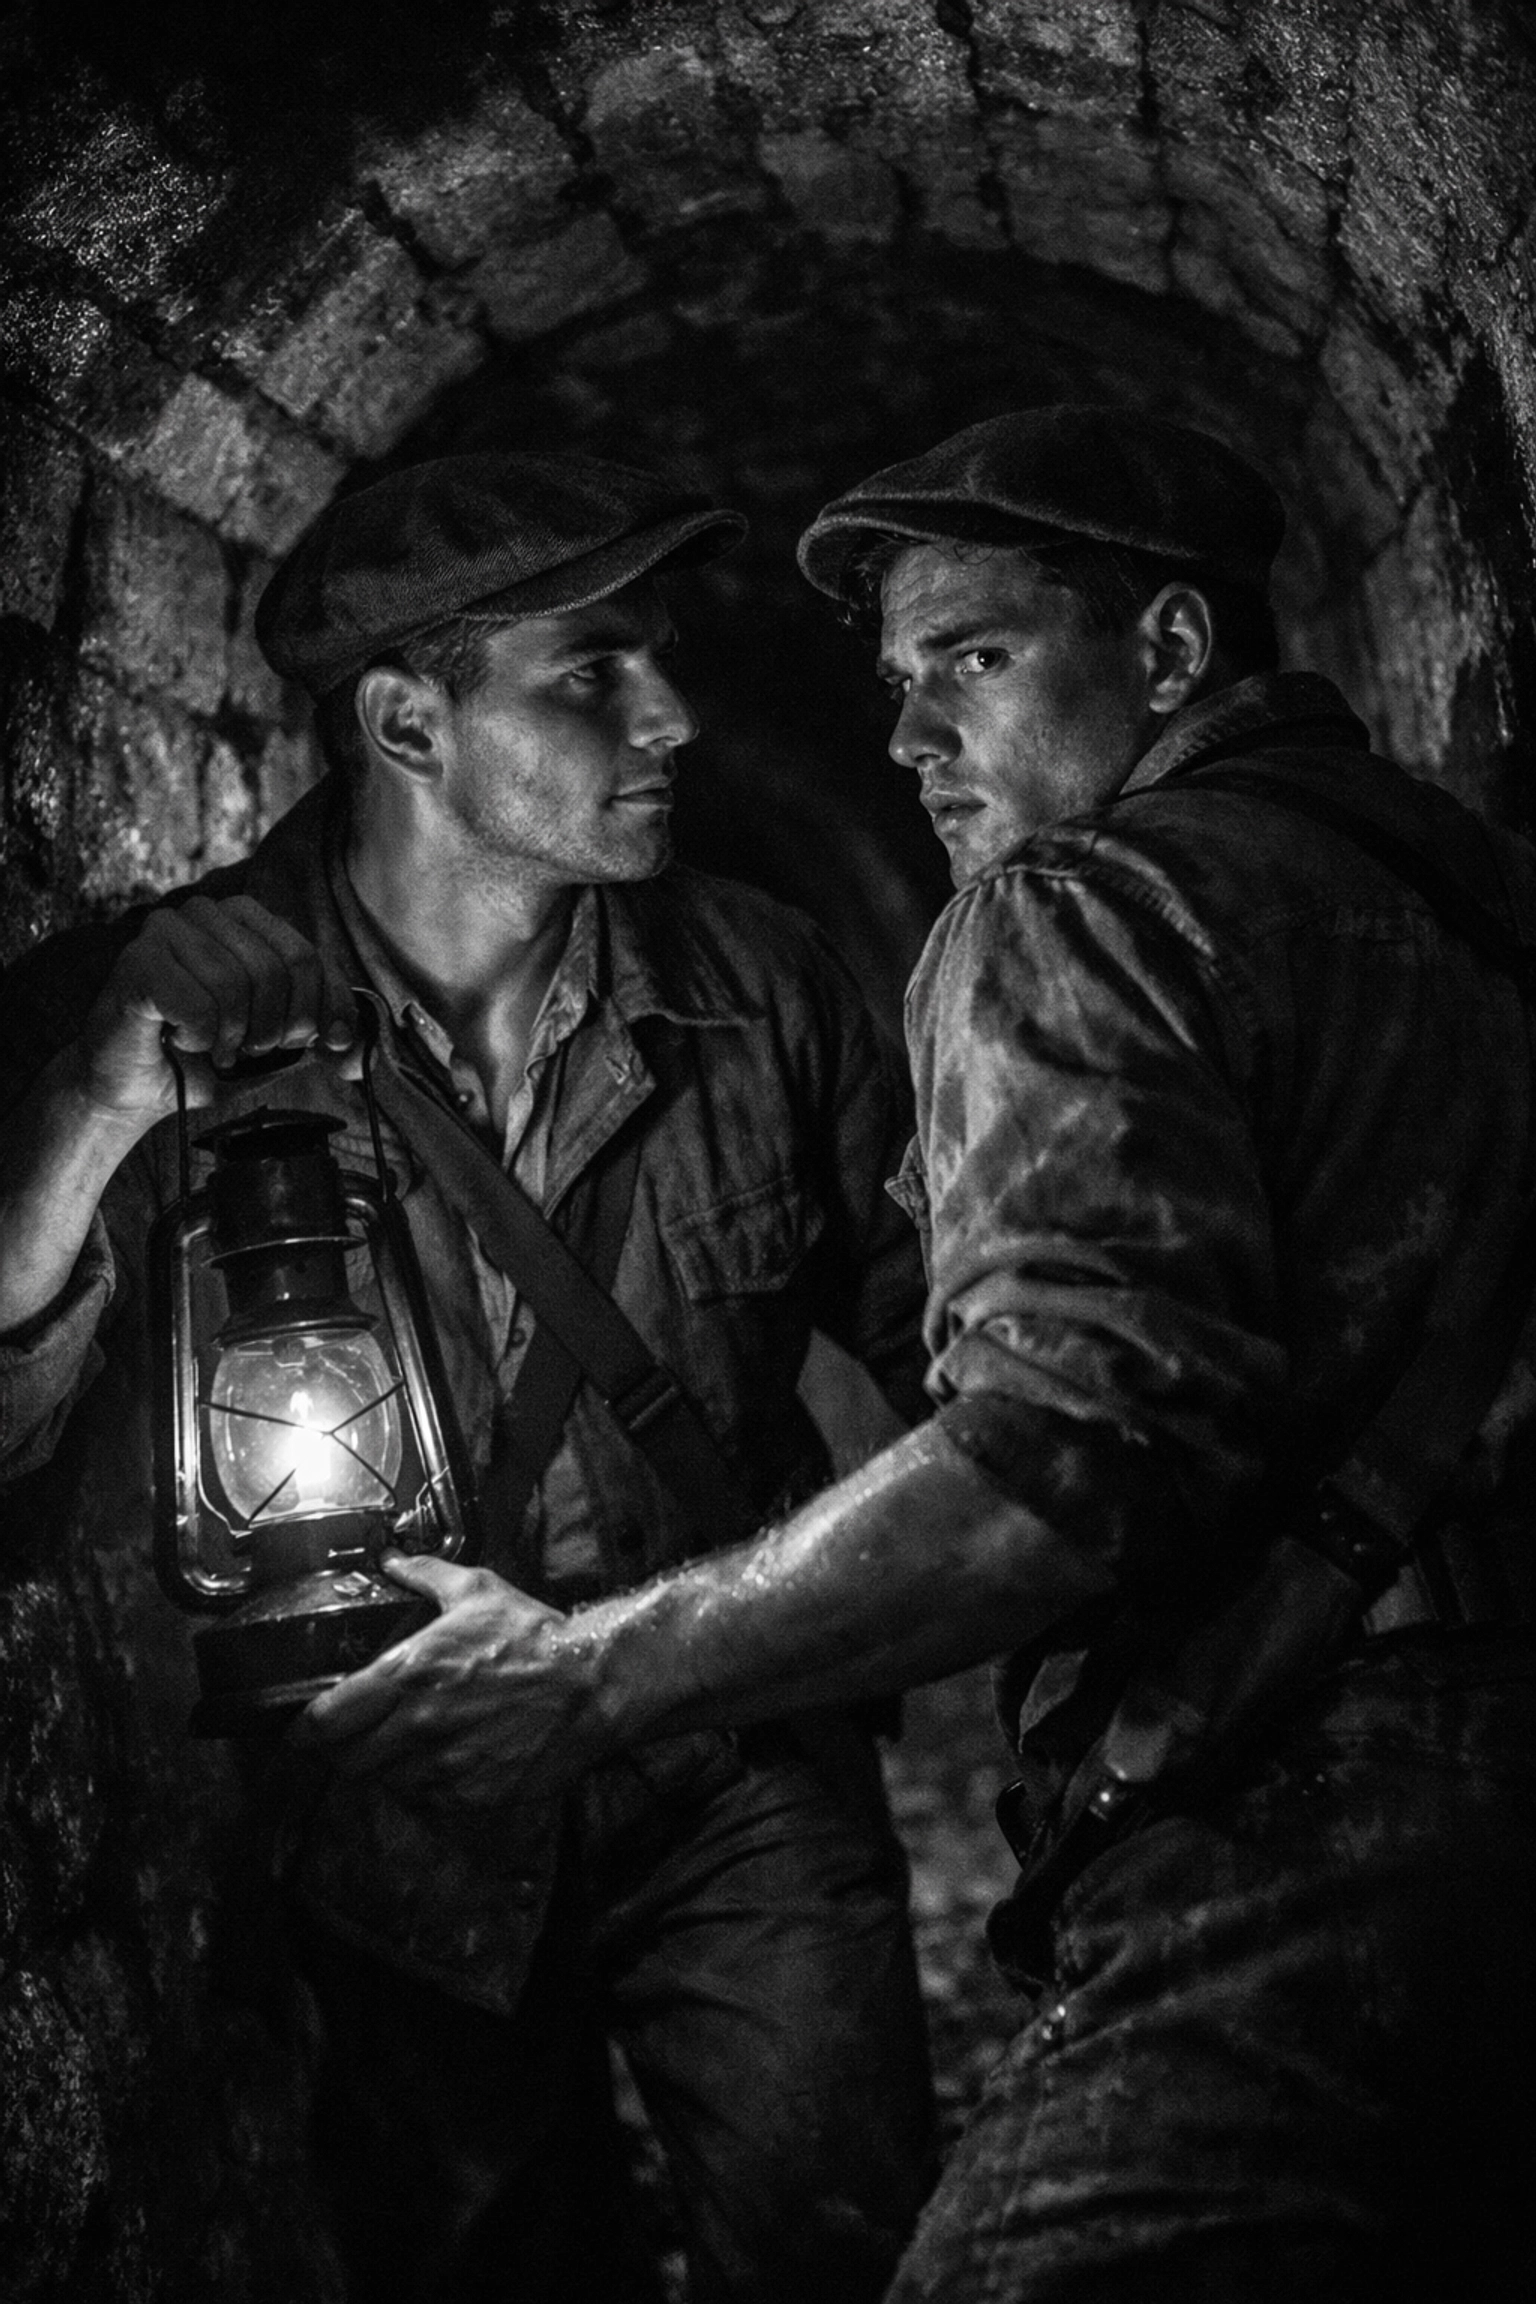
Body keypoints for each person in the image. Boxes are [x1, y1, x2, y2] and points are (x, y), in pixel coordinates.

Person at [302, 407, 1535, 2302]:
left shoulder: (1068, 906)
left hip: (1310, 1782)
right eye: (901, 681)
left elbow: (1052, 1449)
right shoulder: (1456, 879)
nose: (907, 737)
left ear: (1175, 654)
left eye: (971, 660)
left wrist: (592, 1673)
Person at [0, 451, 940, 2303]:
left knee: (855, 2250)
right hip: (386, 1819)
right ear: (407, 721)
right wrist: (95, 1103)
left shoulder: (763, 983)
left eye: (655, 661)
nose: (670, 713)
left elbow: (959, 1349)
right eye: (590, 671)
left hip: (725, 1754)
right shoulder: (168, 1003)